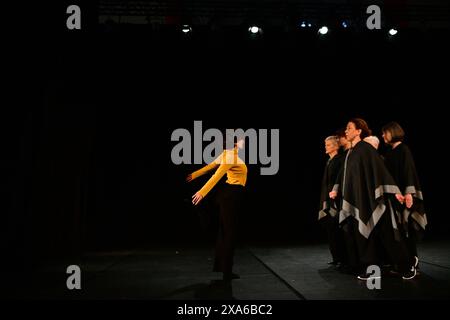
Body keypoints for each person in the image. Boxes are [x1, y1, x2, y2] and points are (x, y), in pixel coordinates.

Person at [331, 118, 417, 280]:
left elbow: (379, 169)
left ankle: (407, 266)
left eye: (350, 128)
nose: (346, 131)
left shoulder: (365, 148)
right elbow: (348, 178)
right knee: (365, 237)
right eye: (346, 129)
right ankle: (372, 271)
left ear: (359, 131)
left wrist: (395, 191)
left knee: (388, 235)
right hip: (361, 201)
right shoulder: (351, 152)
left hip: (376, 201)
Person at [186, 133, 247, 281]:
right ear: (235, 143)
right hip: (231, 196)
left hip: (229, 196)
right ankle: (227, 271)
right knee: (229, 233)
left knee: (225, 232)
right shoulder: (230, 156)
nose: (244, 141)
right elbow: (216, 175)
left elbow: (210, 167)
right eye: (241, 139)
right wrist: (202, 192)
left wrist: (194, 175)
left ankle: (224, 268)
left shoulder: (228, 154)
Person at [382, 121, 427, 269]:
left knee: (407, 229)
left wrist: (408, 193)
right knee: (399, 230)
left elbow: (409, 171)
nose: (383, 136)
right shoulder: (389, 153)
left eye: (385, 133)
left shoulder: (403, 150)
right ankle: (403, 261)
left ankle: (413, 262)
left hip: (404, 195)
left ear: (393, 132)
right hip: (395, 196)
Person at [318, 136, 346, 266]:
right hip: (328, 198)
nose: (326, 147)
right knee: (330, 229)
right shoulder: (329, 161)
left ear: (336, 146)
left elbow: (339, 180)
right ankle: (336, 257)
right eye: (325, 144)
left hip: (336, 198)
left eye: (328, 145)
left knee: (336, 229)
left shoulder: (339, 161)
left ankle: (341, 258)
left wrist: (335, 193)